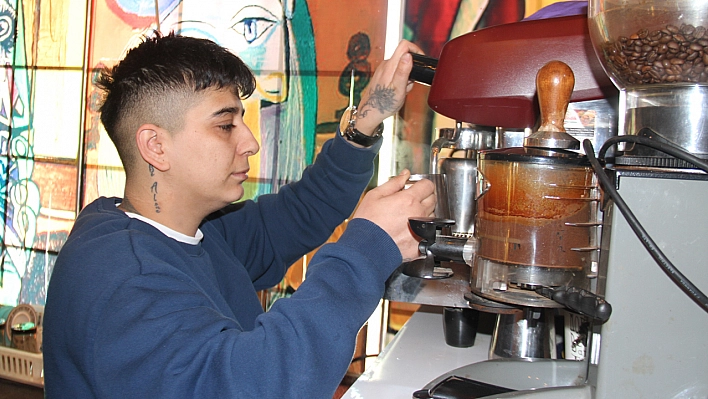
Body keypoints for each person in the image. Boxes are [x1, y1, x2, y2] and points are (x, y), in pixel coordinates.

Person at [43, 32, 434, 398]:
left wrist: (368, 115)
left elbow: (301, 212)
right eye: (226, 125)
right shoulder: (123, 280)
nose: (250, 142)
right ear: (155, 146)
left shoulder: (198, 230)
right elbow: (257, 383)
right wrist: (366, 250)